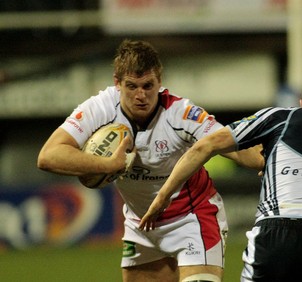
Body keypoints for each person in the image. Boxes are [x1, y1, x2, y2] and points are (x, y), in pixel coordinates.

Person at [37, 39, 263, 282]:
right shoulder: (100, 108)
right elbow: (48, 156)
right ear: (117, 83)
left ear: (160, 81)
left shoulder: (182, 114)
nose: (141, 96)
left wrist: (267, 160)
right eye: (131, 86)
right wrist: (108, 165)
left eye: (148, 85)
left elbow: (235, 149)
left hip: (193, 217)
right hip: (140, 224)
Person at [139, 68, 302, 282]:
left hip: (275, 231)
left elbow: (204, 147)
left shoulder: (282, 117)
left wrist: (162, 197)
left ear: (301, 103)